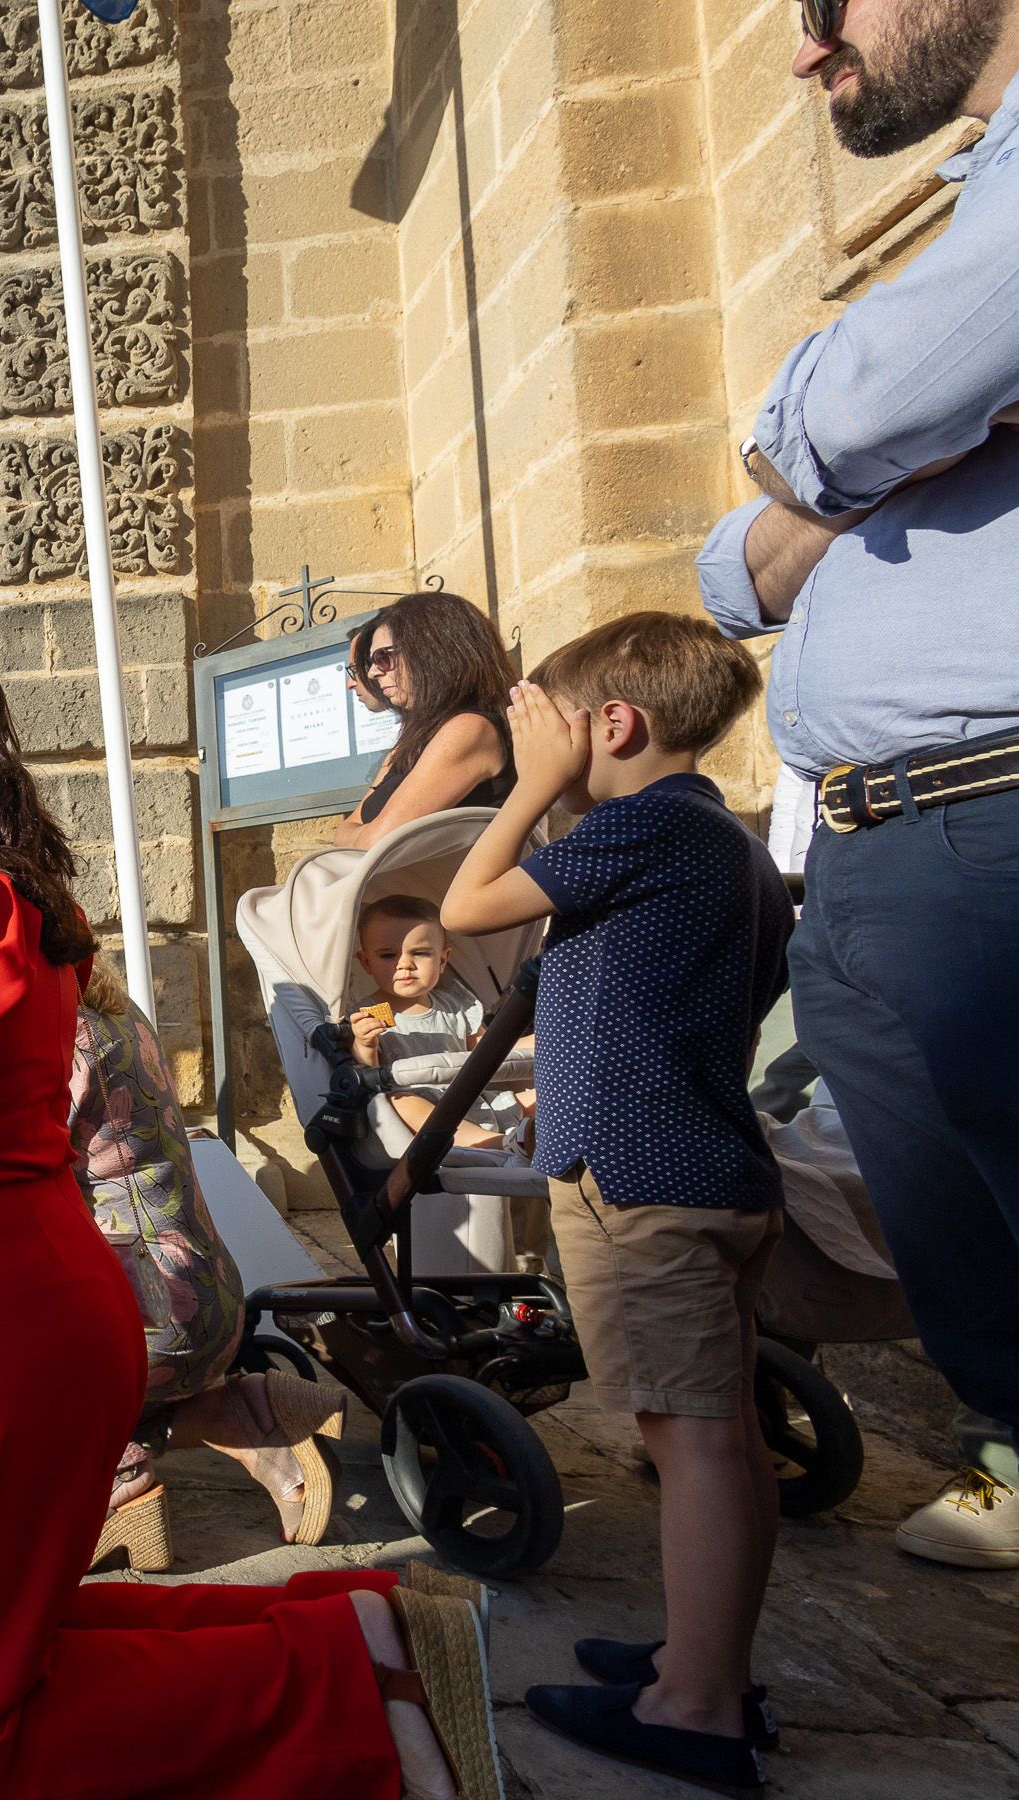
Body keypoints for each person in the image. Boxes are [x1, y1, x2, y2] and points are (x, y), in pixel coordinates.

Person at [0, 637, 497, 1800]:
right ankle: (364, 1636)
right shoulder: (23, 895)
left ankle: (351, 1687)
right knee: (16, 1649)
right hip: (65, 1298)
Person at [698, 0, 1019, 1572]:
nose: (804, 49)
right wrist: (867, 439)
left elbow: (863, 408)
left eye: (828, 2)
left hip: (988, 802)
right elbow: (730, 575)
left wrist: (834, 434)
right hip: (881, 829)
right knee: (948, 1204)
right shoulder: (981, 193)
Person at [441, 615, 790, 1793]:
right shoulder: (724, 839)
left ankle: (695, 1710)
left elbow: (467, 904)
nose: (533, 744)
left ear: (614, 725)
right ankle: (708, 1664)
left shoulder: (639, 826)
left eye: (552, 725)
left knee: (689, 1440)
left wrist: (535, 784)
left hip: (642, 1182)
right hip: (707, 1169)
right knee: (724, 1433)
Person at [72, 964, 346, 1571]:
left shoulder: (58, 1037)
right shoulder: (113, 1008)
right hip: (203, 1291)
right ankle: (247, 1416)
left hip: (146, 1313)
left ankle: (117, 1476)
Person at [330, 591, 516, 850]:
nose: (372, 673)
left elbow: (378, 842)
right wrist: (360, 834)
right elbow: (344, 832)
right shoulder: (412, 741)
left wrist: (361, 834)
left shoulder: (468, 728)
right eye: (371, 662)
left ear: (433, 651)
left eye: (383, 657)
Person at [349, 895, 532, 1149]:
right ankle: (500, 1144)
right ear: (367, 962)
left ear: (443, 960)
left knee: (550, 1096)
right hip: (424, 1113)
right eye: (388, 955)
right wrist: (364, 1044)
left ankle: (550, 1138)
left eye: (420, 953)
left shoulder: (457, 1004)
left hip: (474, 1100)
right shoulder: (365, 1015)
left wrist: (543, 1040)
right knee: (400, 1103)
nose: (405, 964)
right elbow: (366, 1080)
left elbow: (488, 1049)